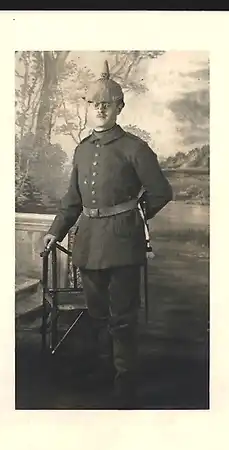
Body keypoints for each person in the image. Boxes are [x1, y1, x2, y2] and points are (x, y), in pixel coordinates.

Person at [43, 60, 173, 408]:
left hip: (123, 245)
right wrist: (56, 232)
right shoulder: (82, 149)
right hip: (89, 244)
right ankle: (102, 371)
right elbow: (73, 200)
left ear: (119, 107)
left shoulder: (135, 148)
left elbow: (161, 191)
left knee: (123, 317)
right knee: (97, 313)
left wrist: (133, 218)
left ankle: (125, 379)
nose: (100, 108)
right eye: (93, 103)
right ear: (87, 108)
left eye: (107, 103)